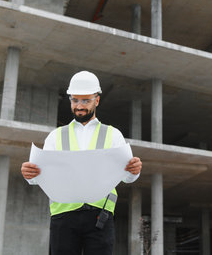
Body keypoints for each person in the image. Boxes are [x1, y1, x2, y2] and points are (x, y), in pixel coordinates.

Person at [21, 71, 142, 255]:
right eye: (75, 100)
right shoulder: (56, 136)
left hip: (100, 215)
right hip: (63, 216)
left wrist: (134, 171)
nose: (79, 106)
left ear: (97, 100)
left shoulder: (113, 134)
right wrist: (30, 174)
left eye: (85, 101)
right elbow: (41, 176)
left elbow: (127, 177)